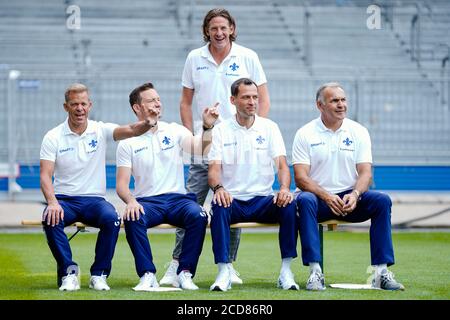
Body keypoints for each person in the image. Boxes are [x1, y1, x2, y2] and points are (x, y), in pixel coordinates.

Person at [161, 7, 271, 287]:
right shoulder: (193, 58)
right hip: (206, 142)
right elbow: (186, 102)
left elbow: (263, 99)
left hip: (237, 143)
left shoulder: (248, 56)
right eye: (214, 29)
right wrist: (192, 136)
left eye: (224, 28)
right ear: (206, 31)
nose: (219, 33)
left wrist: (255, 133)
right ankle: (176, 265)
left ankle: (228, 265)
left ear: (232, 28)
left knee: (231, 201)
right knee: (191, 205)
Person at [40, 83, 157, 291]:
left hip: (94, 200)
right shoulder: (53, 136)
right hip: (64, 199)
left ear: (90, 105)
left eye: (83, 104)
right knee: (50, 218)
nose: (79, 108)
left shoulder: (100, 130)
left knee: (111, 219)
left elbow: (130, 129)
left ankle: (99, 274)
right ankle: (69, 272)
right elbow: (45, 175)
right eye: (74, 104)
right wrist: (52, 202)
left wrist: (148, 122)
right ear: (65, 107)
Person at [293, 82, 405, 291]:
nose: (341, 105)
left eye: (343, 100)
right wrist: (326, 196)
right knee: (305, 199)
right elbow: (300, 178)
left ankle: (381, 273)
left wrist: (354, 194)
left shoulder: (359, 131)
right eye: (334, 100)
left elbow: (365, 173)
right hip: (318, 199)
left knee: (381, 200)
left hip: (349, 199)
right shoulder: (305, 133)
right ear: (320, 105)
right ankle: (315, 272)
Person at [116, 83, 218, 291]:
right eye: (151, 100)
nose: (157, 103)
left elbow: (202, 149)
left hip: (177, 200)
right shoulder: (128, 143)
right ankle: (147, 274)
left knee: (198, 215)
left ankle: (185, 273)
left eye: (158, 99)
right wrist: (131, 201)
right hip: (147, 202)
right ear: (137, 108)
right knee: (132, 216)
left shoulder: (174, 130)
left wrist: (207, 127)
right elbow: (121, 185)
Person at [207, 78, 298, 292]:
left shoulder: (269, 128)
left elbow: (283, 167)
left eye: (255, 97)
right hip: (233, 200)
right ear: (233, 100)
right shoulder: (221, 130)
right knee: (218, 205)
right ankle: (223, 271)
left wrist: (284, 189)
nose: (252, 101)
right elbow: (213, 170)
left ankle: (286, 271)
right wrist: (219, 189)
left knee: (289, 205)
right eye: (246, 97)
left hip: (262, 200)